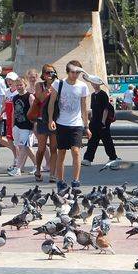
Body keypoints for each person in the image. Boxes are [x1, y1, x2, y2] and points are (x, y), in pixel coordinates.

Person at [47, 60, 90, 191]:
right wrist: (50, 120)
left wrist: (86, 126)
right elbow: (51, 103)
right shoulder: (58, 83)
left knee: (76, 151)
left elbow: (84, 107)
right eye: (72, 72)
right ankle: (60, 182)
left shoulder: (82, 86)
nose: (75, 75)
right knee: (61, 153)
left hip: (76, 124)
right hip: (61, 122)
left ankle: (76, 182)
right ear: (67, 72)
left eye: (77, 72)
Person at [83, 80, 118, 166]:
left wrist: (103, 122)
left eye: (95, 83)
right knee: (92, 140)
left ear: (99, 84)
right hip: (94, 121)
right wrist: (90, 119)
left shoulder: (103, 94)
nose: (93, 84)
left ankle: (113, 157)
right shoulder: (93, 95)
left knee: (107, 140)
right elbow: (93, 109)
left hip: (103, 122)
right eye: (92, 83)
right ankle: (87, 159)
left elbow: (105, 109)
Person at [33, 64, 58, 182]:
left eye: (52, 72)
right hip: (42, 119)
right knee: (41, 148)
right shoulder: (39, 85)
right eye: (47, 73)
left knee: (54, 148)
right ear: (43, 75)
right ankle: (38, 169)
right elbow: (41, 98)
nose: (50, 75)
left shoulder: (58, 85)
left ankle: (53, 174)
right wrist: (49, 89)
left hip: (55, 119)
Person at [8, 77, 34, 176]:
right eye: (17, 85)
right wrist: (12, 125)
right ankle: (37, 165)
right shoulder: (15, 98)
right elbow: (14, 112)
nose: (19, 87)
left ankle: (18, 168)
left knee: (24, 147)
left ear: (25, 85)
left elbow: (34, 111)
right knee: (23, 147)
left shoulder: (30, 96)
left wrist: (33, 126)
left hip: (27, 126)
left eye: (20, 85)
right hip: (17, 126)